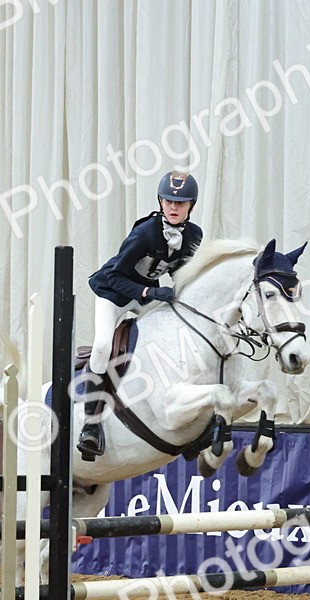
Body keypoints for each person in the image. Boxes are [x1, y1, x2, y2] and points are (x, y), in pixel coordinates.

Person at [77, 170, 204, 458]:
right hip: (114, 293)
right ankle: (91, 424)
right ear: (160, 201)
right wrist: (149, 293)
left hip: (147, 293)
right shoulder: (144, 232)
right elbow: (118, 276)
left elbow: (180, 271)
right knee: (101, 347)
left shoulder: (193, 235)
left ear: (190, 206)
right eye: (169, 201)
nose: (173, 207)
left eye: (180, 203)